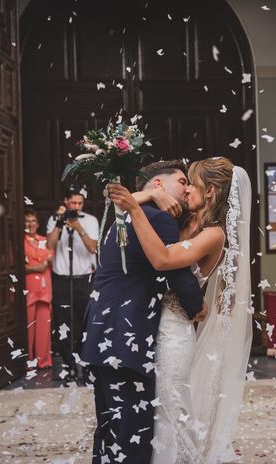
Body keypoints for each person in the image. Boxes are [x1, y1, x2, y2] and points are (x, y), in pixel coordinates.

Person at [109, 156, 253, 464]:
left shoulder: (214, 234)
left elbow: (162, 259)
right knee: (158, 407)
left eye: (193, 185)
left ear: (211, 191)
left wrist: (136, 209)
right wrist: (148, 195)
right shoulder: (184, 220)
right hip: (155, 325)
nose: (185, 191)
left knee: (172, 410)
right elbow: (119, 210)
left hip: (175, 332)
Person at [81, 160, 204, 464]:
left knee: (109, 432)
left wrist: (144, 197)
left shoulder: (123, 217)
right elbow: (177, 273)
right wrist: (195, 307)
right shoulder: (157, 220)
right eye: (181, 180)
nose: (186, 187)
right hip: (126, 338)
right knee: (132, 437)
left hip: (101, 332)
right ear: (159, 185)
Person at [47, 187, 99, 381]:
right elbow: (50, 245)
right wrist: (60, 223)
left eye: (79, 203)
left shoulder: (90, 220)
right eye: (73, 203)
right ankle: (69, 366)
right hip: (61, 279)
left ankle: (86, 366)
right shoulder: (56, 219)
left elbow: (93, 247)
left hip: (83, 279)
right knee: (63, 324)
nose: (76, 207)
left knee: (86, 323)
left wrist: (78, 228)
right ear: (66, 202)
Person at [24, 210, 54, 369]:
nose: (30, 224)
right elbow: (19, 267)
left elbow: (51, 258)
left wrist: (37, 265)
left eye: (33, 221)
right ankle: (28, 361)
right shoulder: (20, 241)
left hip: (44, 285)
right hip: (29, 286)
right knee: (29, 325)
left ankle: (43, 360)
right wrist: (36, 267)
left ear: (38, 223)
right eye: (27, 221)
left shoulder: (44, 240)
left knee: (44, 324)